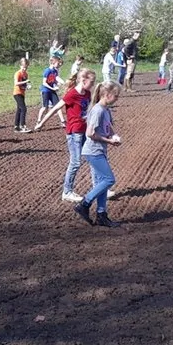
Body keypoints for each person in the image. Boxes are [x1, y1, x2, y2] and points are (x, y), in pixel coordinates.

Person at [36, 67, 96, 203]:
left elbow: (88, 110)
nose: (93, 85)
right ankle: (67, 192)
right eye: (91, 82)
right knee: (75, 163)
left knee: (93, 157)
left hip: (85, 130)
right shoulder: (72, 94)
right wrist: (42, 123)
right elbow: (56, 108)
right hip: (74, 132)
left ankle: (98, 187)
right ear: (83, 80)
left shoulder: (87, 94)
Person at [72, 82, 122, 228]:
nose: (117, 98)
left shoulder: (106, 110)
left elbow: (108, 127)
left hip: (100, 150)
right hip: (93, 151)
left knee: (102, 182)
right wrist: (109, 141)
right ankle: (84, 204)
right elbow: (90, 133)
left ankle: (102, 215)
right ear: (107, 95)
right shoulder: (98, 110)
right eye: (116, 95)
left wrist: (114, 136)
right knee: (109, 179)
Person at [34, 55, 65, 128]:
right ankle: (38, 121)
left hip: (52, 91)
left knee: (58, 106)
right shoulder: (47, 71)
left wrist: (61, 83)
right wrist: (53, 88)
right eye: (58, 63)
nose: (58, 65)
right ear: (53, 63)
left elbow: (55, 79)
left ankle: (63, 121)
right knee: (45, 108)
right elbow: (44, 83)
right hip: (45, 90)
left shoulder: (55, 71)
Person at [13, 57, 31, 133]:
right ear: (20, 66)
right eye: (23, 67)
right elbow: (16, 83)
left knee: (19, 109)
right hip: (17, 93)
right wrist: (25, 82)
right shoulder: (18, 73)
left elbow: (25, 84)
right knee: (24, 109)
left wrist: (28, 86)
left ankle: (16, 126)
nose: (25, 69)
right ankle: (22, 125)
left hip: (22, 93)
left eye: (26, 67)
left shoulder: (26, 74)